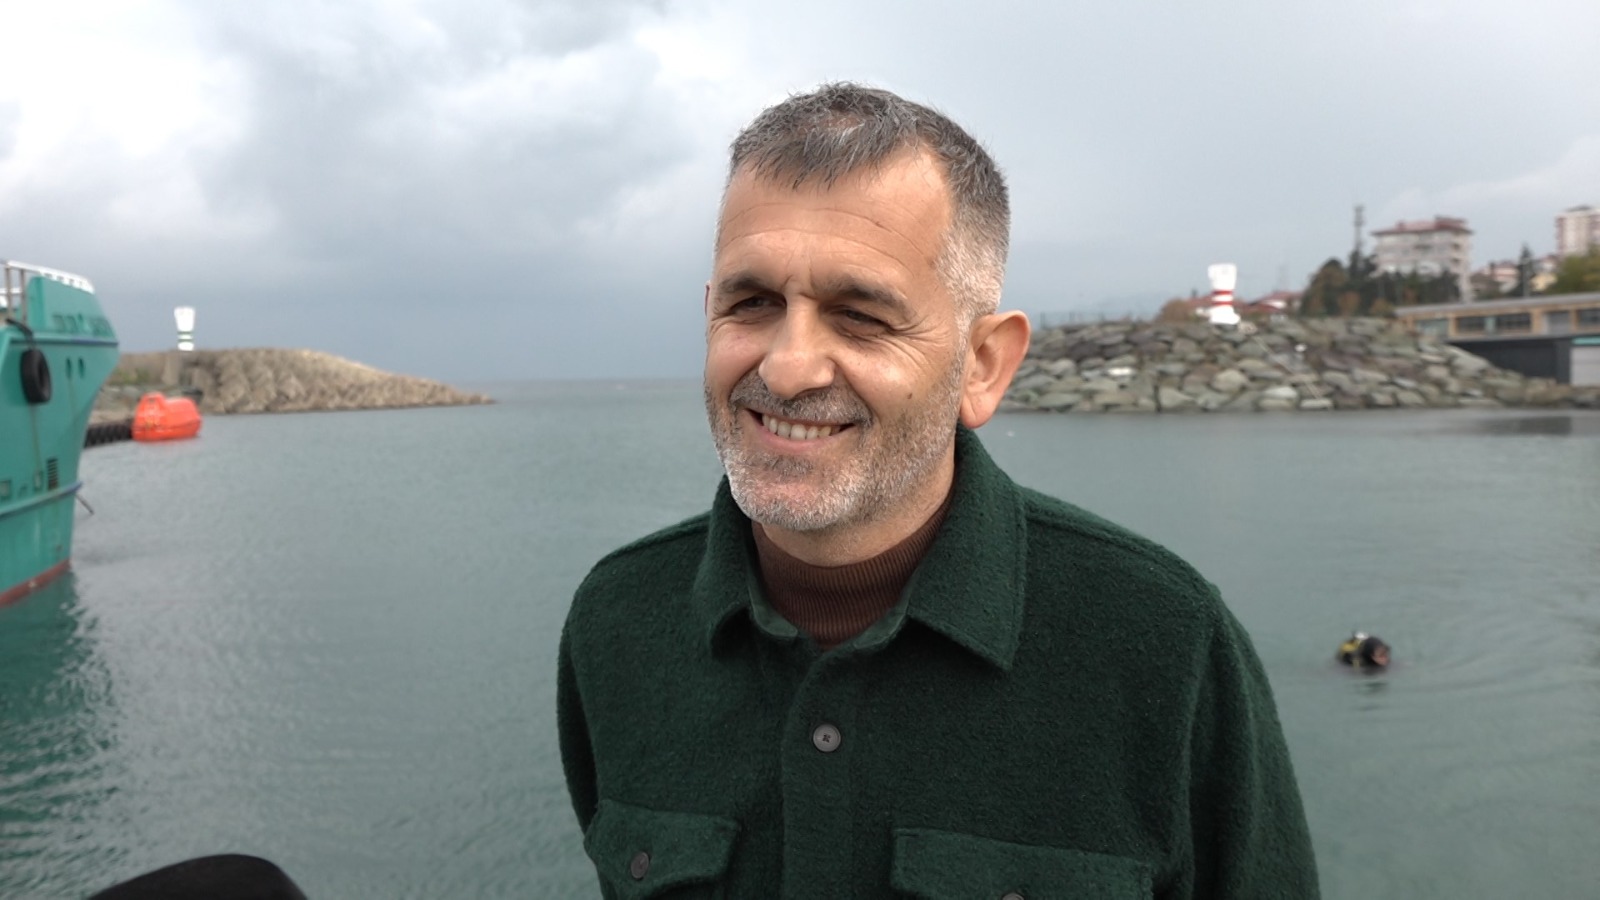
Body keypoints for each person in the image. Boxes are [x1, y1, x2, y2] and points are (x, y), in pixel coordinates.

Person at [558, 82, 1318, 899]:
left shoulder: (1166, 647)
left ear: (983, 366)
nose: (786, 366)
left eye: (860, 317)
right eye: (753, 303)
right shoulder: (617, 623)